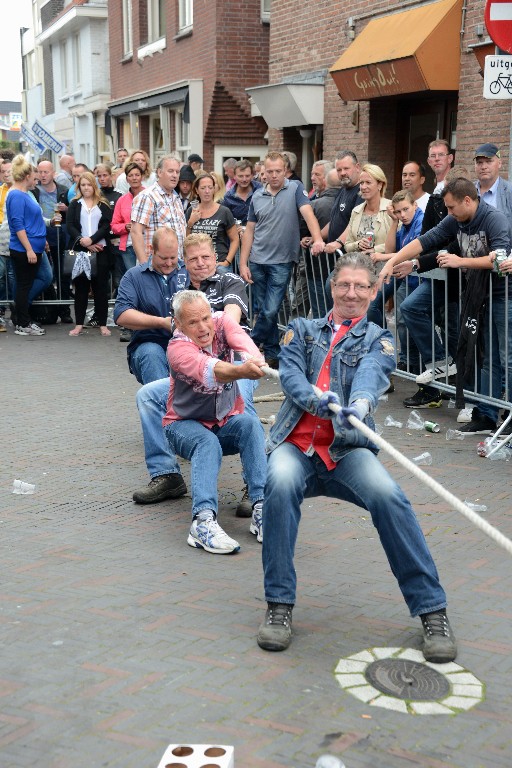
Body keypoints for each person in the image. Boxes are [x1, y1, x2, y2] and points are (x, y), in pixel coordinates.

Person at [256, 252, 457, 665]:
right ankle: (279, 604)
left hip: (346, 450)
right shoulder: (302, 329)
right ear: (332, 288)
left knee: (389, 497)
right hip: (296, 446)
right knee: (276, 485)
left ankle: (432, 611)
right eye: (344, 285)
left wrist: (360, 406)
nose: (351, 293)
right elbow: (291, 377)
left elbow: (372, 374)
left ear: (373, 291)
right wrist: (318, 399)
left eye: (361, 286)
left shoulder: (380, 338)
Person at [128, 233, 255, 508]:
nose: (200, 263)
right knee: (148, 396)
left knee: (243, 400)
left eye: (206, 257)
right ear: (184, 261)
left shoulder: (230, 280)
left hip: (233, 360)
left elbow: (230, 322)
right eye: (194, 258)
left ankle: (254, 486)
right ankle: (167, 474)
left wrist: (241, 359)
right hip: (193, 366)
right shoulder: (178, 289)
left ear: (216, 258)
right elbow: (175, 329)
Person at [380, 177, 511, 435]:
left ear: (467, 200)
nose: (448, 213)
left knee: (507, 358)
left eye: (451, 208)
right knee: (487, 359)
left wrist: (458, 261)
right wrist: (393, 260)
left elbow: (499, 261)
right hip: (477, 296)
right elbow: (426, 241)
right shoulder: (456, 219)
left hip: (503, 296)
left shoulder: (494, 220)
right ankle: (486, 414)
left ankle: (508, 417)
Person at [163, 290, 267, 553]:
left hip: (224, 421)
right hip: (183, 425)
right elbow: (214, 370)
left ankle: (263, 508)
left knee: (250, 424)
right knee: (206, 443)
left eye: (205, 318)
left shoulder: (221, 321)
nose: (203, 327)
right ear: (179, 324)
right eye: (193, 322)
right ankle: (202, 522)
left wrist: (254, 359)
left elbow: (242, 340)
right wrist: (242, 371)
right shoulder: (177, 348)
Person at [239, 151, 324, 367]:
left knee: (270, 309)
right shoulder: (257, 196)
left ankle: (248, 344)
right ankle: (272, 353)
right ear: (263, 173)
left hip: (282, 260)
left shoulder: (295, 188)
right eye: (270, 171)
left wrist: (317, 239)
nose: (274, 175)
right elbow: (249, 230)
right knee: (262, 309)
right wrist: (243, 262)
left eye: (278, 171)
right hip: (257, 260)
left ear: (285, 170)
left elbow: (308, 214)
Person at [114, 226, 181, 383]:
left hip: (186, 344)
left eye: (173, 257)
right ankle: (162, 405)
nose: (169, 263)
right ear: (151, 249)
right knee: (152, 354)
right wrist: (162, 322)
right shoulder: (134, 276)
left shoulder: (188, 272)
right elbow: (121, 314)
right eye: (163, 258)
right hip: (148, 344)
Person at [6, 155, 49, 336]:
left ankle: (22, 319)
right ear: (26, 176)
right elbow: (18, 225)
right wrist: (29, 249)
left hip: (33, 247)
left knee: (28, 284)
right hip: (25, 249)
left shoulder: (22, 194)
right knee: (24, 286)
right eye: (33, 174)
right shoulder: (16, 195)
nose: (36, 177)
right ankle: (22, 323)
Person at [66, 171, 113, 337]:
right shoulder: (74, 204)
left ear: (95, 186)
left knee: (101, 289)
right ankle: (78, 324)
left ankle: (102, 324)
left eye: (89, 185)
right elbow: (70, 225)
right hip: (81, 251)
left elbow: (106, 226)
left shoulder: (103, 204)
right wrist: (82, 240)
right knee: (81, 288)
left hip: (100, 250)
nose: (86, 188)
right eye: (83, 185)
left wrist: (92, 240)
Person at [130, 154, 186, 263]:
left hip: (176, 266)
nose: (175, 175)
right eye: (170, 171)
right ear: (159, 172)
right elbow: (136, 232)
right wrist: (144, 267)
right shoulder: (147, 196)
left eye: (177, 172)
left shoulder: (176, 199)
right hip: (154, 267)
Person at [34, 160, 71, 323]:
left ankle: (64, 310)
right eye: (40, 172)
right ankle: (45, 310)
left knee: (62, 274)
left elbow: (74, 215)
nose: (42, 175)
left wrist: (67, 210)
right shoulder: (33, 191)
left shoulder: (63, 191)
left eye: (46, 172)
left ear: (53, 173)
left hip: (58, 236)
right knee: (43, 274)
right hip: (39, 236)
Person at [185, 173, 239, 273]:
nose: (207, 191)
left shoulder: (224, 211)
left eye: (210, 187)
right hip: (197, 264)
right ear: (197, 190)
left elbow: (235, 239)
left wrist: (227, 261)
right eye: (203, 188)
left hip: (219, 264)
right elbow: (186, 241)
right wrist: (190, 223)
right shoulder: (191, 211)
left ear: (214, 189)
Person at [343, 164, 392, 258]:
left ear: (380, 185)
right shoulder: (356, 211)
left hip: (384, 267)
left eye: (368, 182)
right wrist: (357, 244)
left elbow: (399, 243)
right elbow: (347, 245)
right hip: (359, 267)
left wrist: (375, 250)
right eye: (361, 183)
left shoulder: (391, 209)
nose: (363, 187)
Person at [322, 150, 363, 253]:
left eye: (346, 168)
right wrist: (316, 238)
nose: (342, 173)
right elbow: (334, 221)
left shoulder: (362, 192)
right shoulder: (342, 190)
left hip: (348, 256)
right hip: (335, 254)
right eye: (339, 170)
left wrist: (339, 243)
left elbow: (355, 223)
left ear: (357, 167)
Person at [474, 142, 512, 217]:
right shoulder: (467, 190)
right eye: (479, 162)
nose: (484, 167)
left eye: (488, 161)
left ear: (500, 163)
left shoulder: (509, 192)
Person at [222, 159, 262, 226]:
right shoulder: (228, 197)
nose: (244, 179)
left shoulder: (260, 189)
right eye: (240, 176)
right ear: (234, 176)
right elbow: (227, 222)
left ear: (252, 175)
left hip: (259, 233)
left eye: (247, 176)